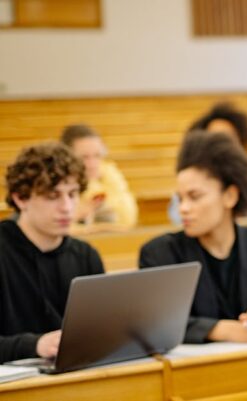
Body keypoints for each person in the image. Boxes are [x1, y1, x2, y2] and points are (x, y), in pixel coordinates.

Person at [140, 131, 247, 344]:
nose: (183, 209)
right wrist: (224, 330)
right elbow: (155, 322)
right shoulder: (160, 253)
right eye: (180, 199)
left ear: (230, 196)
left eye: (194, 197)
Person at [0, 143, 105, 363]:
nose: (67, 207)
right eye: (52, 196)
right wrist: (35, 345)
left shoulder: (86, 255)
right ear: (21, 198)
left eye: (73, 194)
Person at [60, 124, 138, 228]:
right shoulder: (57, 186)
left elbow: (129, 219)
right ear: (67, 158)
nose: (92, 164)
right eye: (84, 157)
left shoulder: (110, 175)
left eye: (97, 156)